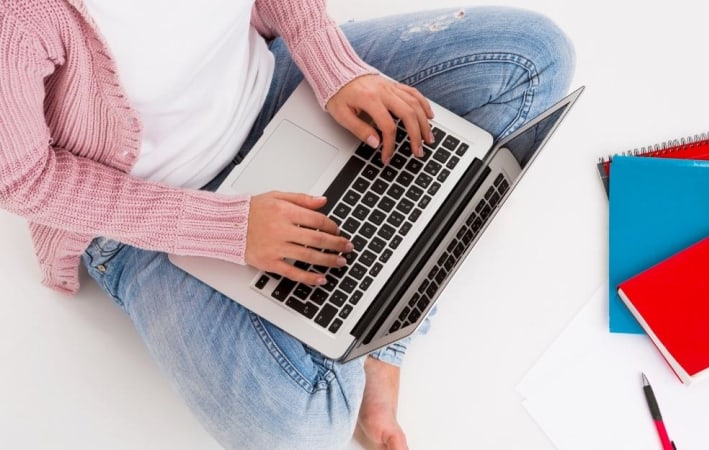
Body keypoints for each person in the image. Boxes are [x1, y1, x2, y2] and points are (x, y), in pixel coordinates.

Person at [0, 1, 574, 449]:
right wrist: (229, 228)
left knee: (534, 56)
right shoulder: (18, 18)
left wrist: (333, 66)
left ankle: (383, 334)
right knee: (306, 426)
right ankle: (378, 313)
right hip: (149, 211)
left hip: (275, 87)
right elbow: (22, 179)